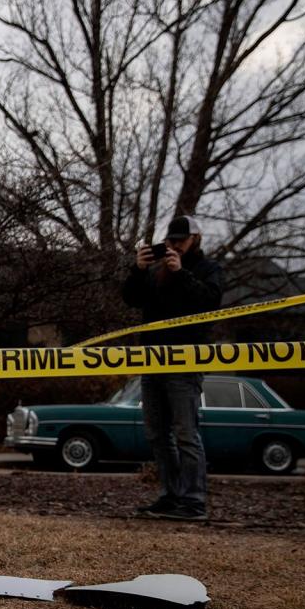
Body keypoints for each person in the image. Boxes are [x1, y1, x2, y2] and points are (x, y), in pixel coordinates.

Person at [121, 215, 223, 521]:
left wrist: (182, 274)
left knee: (186, 433)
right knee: (156, 433)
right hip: (152, 360)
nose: (173, 245)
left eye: (180, 240)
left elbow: (209, 303)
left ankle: (193, 500)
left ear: (195, 239)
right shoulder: (156, 272)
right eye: (170, 241)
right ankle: (170, 495)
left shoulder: (209, 270)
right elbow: (130, 299)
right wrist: (138, 270)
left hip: (185, 361)